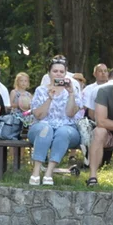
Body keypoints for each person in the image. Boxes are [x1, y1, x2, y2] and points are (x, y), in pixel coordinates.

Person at [26, 57, 82, 186]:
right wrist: (49, 98)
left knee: (63, 132)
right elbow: (39, 115)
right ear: (49, 73)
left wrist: (72, 94)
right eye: (55, 71)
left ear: (66, 73)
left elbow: (70, 113)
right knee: (46, 129)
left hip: (66, 127)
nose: (58, 74)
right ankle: (35, 172)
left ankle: (49, 173)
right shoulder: (41, 90)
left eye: (61, 72)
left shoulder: (73, 91)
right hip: (42, 125)